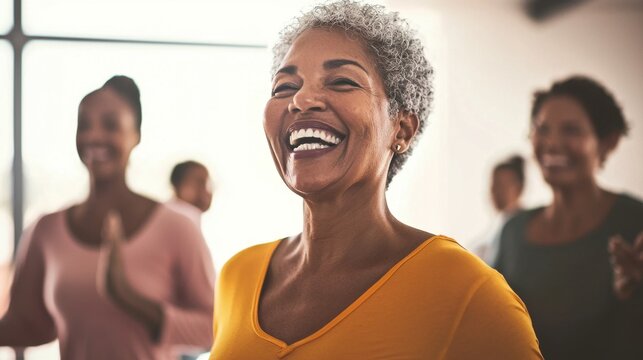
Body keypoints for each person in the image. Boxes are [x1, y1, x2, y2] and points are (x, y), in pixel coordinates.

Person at [209, 1, 542, 358]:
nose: (301, 99)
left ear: (402, 129)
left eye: (341, 81)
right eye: (284, 87)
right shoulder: (238, 276)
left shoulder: (467, 291)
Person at [0, 76, 215, 359]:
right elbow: (30, 325)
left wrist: (126, 296)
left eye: (110, 124)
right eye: (84, 125)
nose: (94, 136)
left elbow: (215, 327)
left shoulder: (177, 228)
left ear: (136, 134)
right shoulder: (46, 230)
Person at [495, 76, 643, 359]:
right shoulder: (512, 231)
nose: (551, 144)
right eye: (542, 129)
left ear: (606, 143)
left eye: (571, 130)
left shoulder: (635, 221)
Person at [474, 155, 525, 265]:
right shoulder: (497, 227)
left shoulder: (525, 228)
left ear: (519, 188)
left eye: (503, 186)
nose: (497, 192)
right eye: (494, 186)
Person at [166, 160, 214, 228]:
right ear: (178, 186)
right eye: (199, 183)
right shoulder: (182, 218)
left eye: (207, 184)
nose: (206, 191)